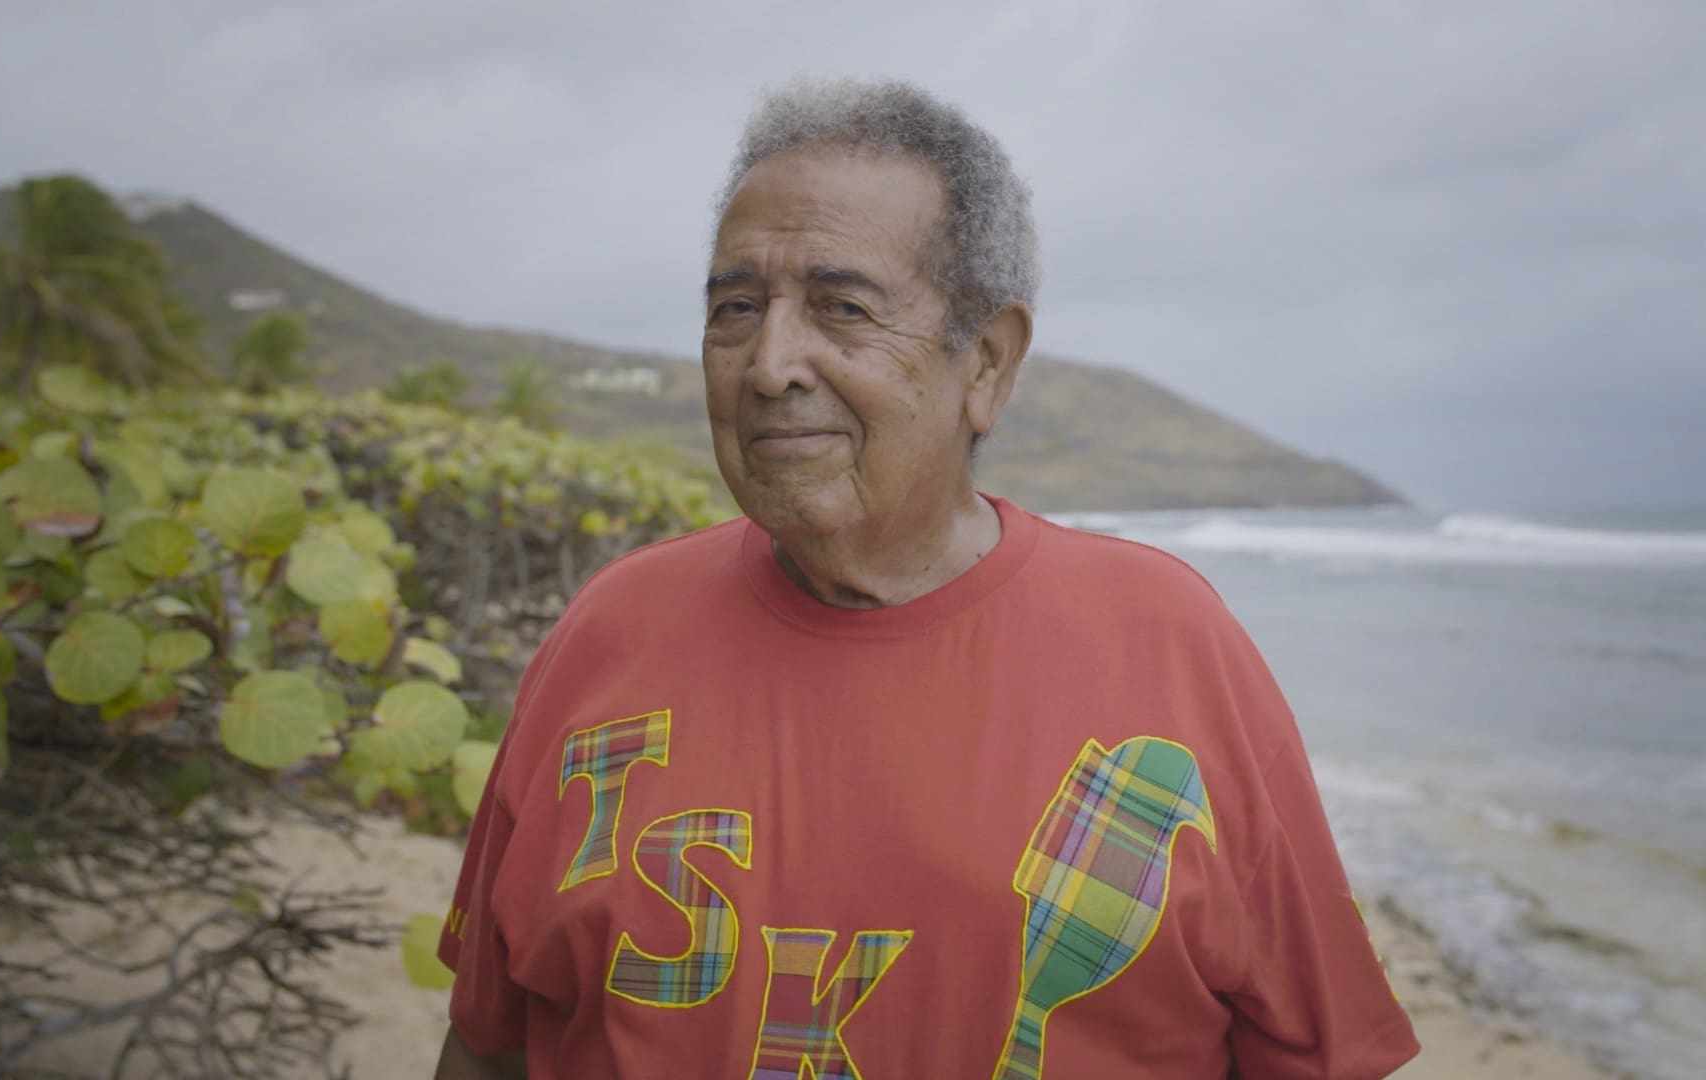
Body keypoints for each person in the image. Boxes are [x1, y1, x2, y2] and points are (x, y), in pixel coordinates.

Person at [433, 78, 1419, 1080]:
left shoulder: (1167, 645)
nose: (770, 363)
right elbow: (489, 1039)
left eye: (842, 308)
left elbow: (1316, 1053)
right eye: (736, 308)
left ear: (987, 364)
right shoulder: (609, 632)